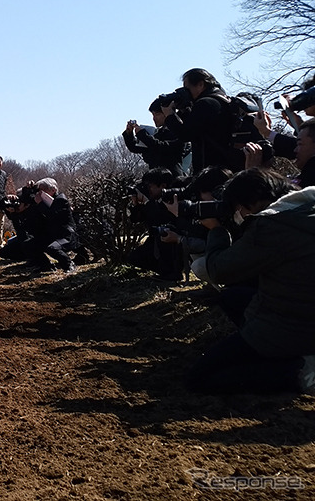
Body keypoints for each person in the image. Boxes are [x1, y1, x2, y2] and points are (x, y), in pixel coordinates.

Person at [187, 168, 315, 394]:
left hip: (291, 328)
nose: (240, 213)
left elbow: (220, 270)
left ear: (254, 202)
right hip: (302, 310)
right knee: (232, 297)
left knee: (201, 378)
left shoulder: (272, 227)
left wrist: (216, 230)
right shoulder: (306, 207)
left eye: (240, 208)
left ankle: (299, 372)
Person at [162, 68, 245, 174]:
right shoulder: (222, 100)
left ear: (200, 84)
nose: (185, 92)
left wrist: (169, 115)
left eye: (187, 88)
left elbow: (186, 134)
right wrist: (185, 109)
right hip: (229, 165)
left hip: (211, 169)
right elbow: (200, 127)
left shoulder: (205, 103)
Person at [126, 168, 185, 281]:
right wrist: (136, 204)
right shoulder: (152, 201)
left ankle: (172, 273)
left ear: (163, 186)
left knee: (164, 233)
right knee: (134, 258)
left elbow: (160, 218)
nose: (148, 190)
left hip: (175, 242)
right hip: (156, 242)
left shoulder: (173, 198)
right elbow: (135, 219)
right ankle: (162, 269)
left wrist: (147, 202)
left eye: (150, 186)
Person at [122, 97, 190, 177]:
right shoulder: (159, 133)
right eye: (153, 115)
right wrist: (129, 134)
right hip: (156, 179)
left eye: (157, 114)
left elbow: (161, 147)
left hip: (172, 178)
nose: (154, 118)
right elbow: (136, 147)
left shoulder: (178, 131)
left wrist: (142, 135)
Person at [23, 177, 78, 272]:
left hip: (65, 235)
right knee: (30, 244)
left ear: (53, 190)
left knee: (52, 248)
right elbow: (26, 200)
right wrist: (28, 189)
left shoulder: (61, 200)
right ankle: (46, 266)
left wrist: (40, 203)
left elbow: (52, 215)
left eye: (42, 191)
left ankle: (68, 264)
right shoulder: (43, 199)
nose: (40, 193)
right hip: (53, 234)